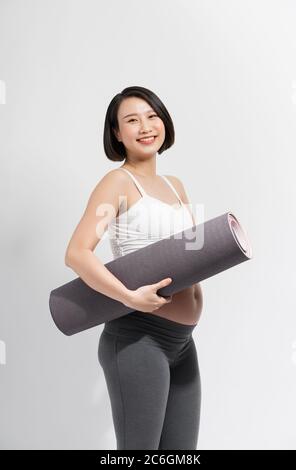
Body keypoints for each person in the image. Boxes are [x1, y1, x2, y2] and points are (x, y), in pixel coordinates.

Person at [64, 86, 203, 450]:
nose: (145, 126)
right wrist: (128, 297)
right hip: (138, 338)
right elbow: (78, 253)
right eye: (132, 120)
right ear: (117, 133)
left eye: (152, 116)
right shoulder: (118, 183)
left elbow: (192, 254)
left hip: (183, 343)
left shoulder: (176, 186)